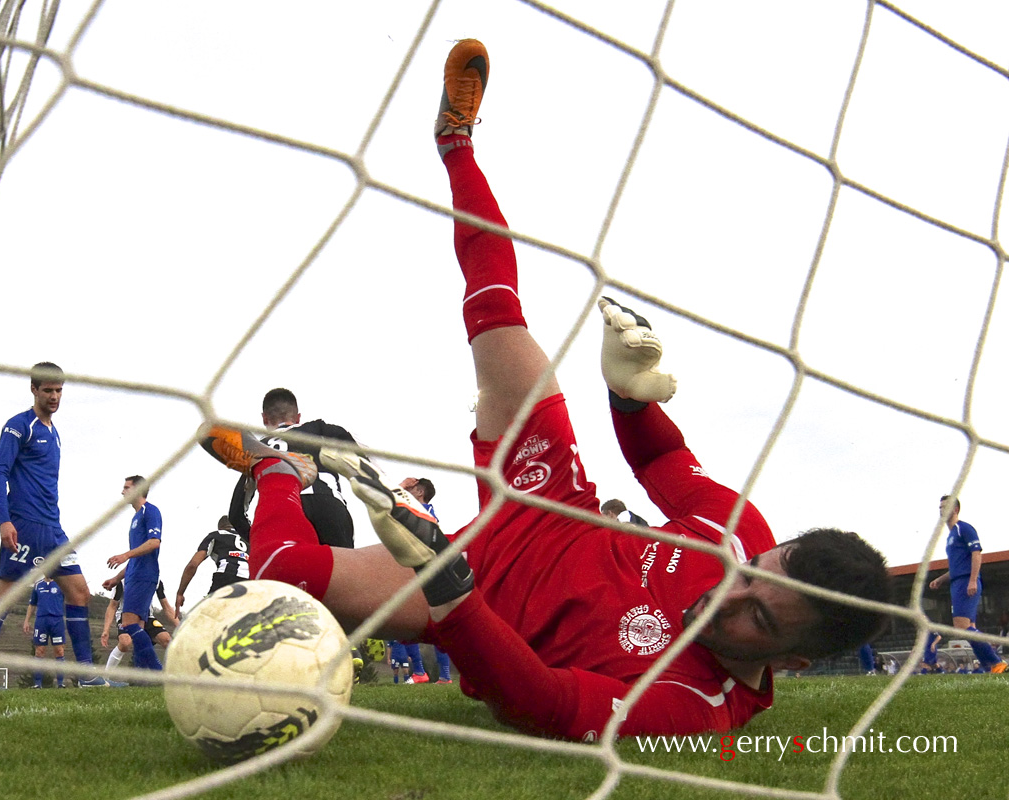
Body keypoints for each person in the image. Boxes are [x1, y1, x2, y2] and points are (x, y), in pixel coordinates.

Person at [195, 39, 891, 740]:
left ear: (792, 660)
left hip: (475, 592)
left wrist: (449, 590)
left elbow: (543, 705)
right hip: (550, 496)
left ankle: (279, 465)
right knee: (497, 308)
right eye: (750, 575)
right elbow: (661, 468)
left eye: (757, 615)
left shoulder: (694, 707)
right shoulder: (736, 538)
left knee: (287, 569)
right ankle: (456, 143)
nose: (726, 593)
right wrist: (629, 403)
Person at [0, 362, 106, 690]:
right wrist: (5, 521)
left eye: (59, 391)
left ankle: (86, 675)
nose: (54, 396)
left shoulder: (54, 433)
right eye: (48, 390)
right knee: (4, 596)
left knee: (79, 593)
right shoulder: (20, 426)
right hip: (26, 526)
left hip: (53, 529)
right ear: (34, 390)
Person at [225, 388, 360, 548]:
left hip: (283, 510)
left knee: (292, 571)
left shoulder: (257, 449)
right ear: (298, 418)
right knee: (343, 570)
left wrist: (255, 539)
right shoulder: (319, 429)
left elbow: (236, 512)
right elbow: (363, 455)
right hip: (329, 506)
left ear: (264, 419)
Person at [928, 496, 1007, 673]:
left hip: (965, 582)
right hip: (958, 581)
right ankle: (991, 665)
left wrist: (972, 580)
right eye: (939, 507)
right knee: (969, 629)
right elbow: (957, 566)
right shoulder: (951, 535)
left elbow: (976, 554)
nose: (941, 510)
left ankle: (996, 662)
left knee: (962, 627)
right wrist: (941, 579)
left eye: (945, 506)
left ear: (955, 509)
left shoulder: (963, 528)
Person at [104, 476, 164, 671]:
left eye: (126, 488)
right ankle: (143, 678)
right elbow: (136, 558)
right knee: (136, 628)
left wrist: (125, 555)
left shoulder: (150, 511)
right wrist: (116, 578)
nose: (122, 492)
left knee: (129, 626)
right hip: (135, 575)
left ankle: (158, 672)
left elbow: (155, 542)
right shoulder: (135, 517)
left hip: (144, 575)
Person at [401, 477, 452, 684]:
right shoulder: (415, 510)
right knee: (405, 621)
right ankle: (422, 673)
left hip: (426, 571)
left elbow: (389, 501)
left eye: (412, 489)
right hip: (413, 568)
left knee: (429, 621)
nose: (408, 492)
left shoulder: (424, 510)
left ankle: (442, 675)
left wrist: (400, 487)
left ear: (420, 491)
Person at [175, 515, 249, 617]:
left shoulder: (216, 535)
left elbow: (193, 565)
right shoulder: (250, 538)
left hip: (226, 577)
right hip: (250, 582)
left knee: (208, 619)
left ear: (221, 527)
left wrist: (180, 593)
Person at [101, 580, 176, 671]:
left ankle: (175, 675)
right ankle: (106, 676)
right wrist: (106, 630)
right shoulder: (122, 582)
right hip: (126, 616)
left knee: (167, 640)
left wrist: (181, 626)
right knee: (125, 642)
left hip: (147, 616)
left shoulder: (156, 580)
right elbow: (112, 606)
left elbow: (166, 607)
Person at [23, 577, 66, 688]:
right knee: (39, 651)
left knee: (59, 651)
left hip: (57, 621)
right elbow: (32, 604)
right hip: (41, 621)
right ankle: (38, 684)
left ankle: (60, 683)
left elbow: (70, 600)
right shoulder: (38, 585)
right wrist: (26, 621)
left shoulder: (61, 583)